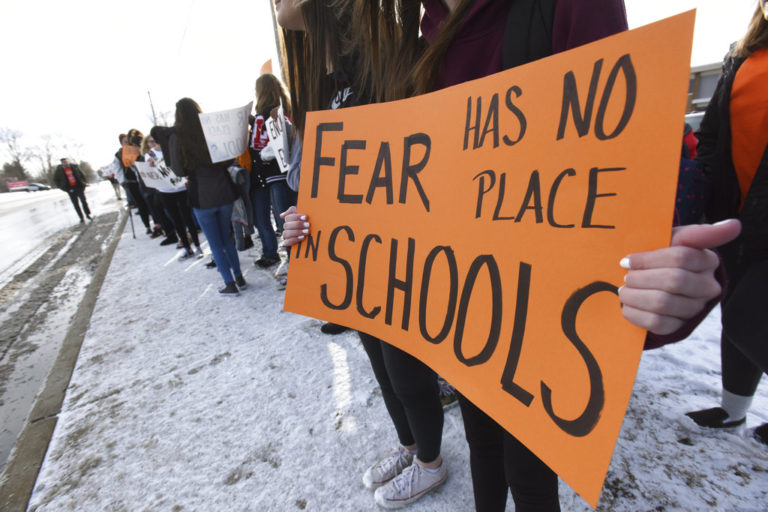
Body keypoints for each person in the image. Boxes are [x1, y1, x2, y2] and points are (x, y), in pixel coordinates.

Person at [282, 0, 742, 510]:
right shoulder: (422, 36)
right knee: (483, 449)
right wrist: (321, 227)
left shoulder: (569, 8)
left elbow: (620, 195)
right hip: (472, 315)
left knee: (528, 476)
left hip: (540, 322)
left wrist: (662, 289)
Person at [275, 1, 447, 509]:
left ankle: (431, 463)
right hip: (356, 260)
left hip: (403, 250)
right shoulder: (321, 80)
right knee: (377, 358)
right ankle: (411, 446)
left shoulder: (390, 52)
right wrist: (298, 218)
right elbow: (313, 176)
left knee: (406, 367)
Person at [685, 2, 768, 446]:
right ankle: (733, 411)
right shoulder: (741, 55)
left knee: (747, 316)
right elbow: (713, 134)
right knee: (735, 307)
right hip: (735, 214)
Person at [169, 97, 247, 296]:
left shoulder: (177, 137)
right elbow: (229, 157)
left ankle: (229, 283)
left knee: (214, 243)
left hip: (201, 196)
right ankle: (239, 276)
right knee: (227, 238)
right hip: (224, 191)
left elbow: (178, 170)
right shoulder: (211, 129)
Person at [249, 74, 290, 268]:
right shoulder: (290, 109)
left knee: (286, 226)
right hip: (298, 170)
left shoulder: (262, 116)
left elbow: (257, 144)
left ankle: (297, 269)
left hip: (275, 175)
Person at [147, 126, 204, 260]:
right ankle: (186, 246)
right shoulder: (150, 154)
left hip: (181, 187)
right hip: (165, 190)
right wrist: (151, 166)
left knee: (187, 217)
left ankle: (197, 245)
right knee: (176, 220)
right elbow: (149, 173)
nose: (154, 143)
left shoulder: (174, 146)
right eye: (152, 141)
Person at [53, 158, 92, 223]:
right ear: (62, 163)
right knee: (76, 204)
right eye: (64, 162)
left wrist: (83, 183)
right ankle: (81, 217)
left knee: (83, 201)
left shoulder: (74, 167)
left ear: (68, 162)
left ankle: (87, 214)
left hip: (78, 187)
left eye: (66, 162)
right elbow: (56, 180)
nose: (65, 163)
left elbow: (82, 175)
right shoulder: (59, 170)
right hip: (70, 189)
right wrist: (63, 188)